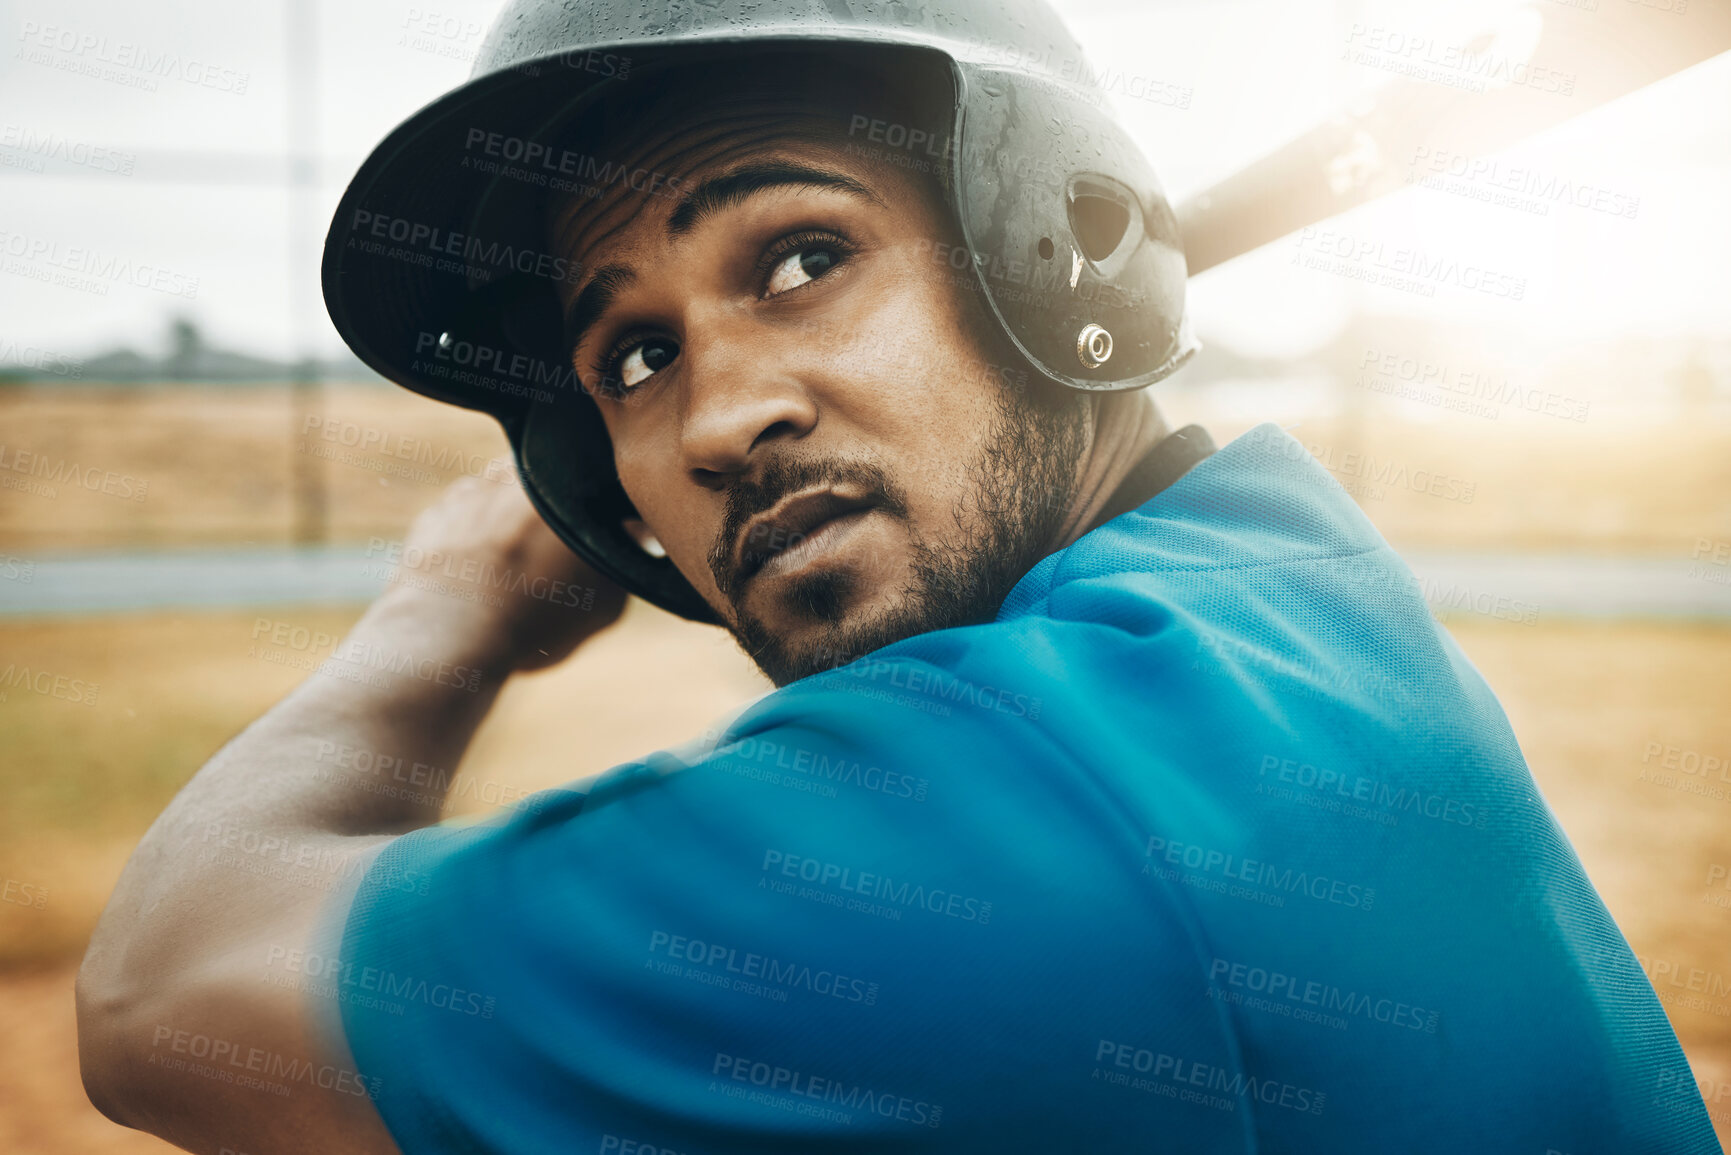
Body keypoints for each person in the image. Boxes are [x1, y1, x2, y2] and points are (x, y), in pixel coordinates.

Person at [77, 1, 1718, 1152]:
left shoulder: (1013, 807)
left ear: (1038, 257)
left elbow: (162, 987)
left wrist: (449, 609)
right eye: (635, 356)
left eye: (803, 257)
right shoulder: (1267, 583)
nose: (720, 416)